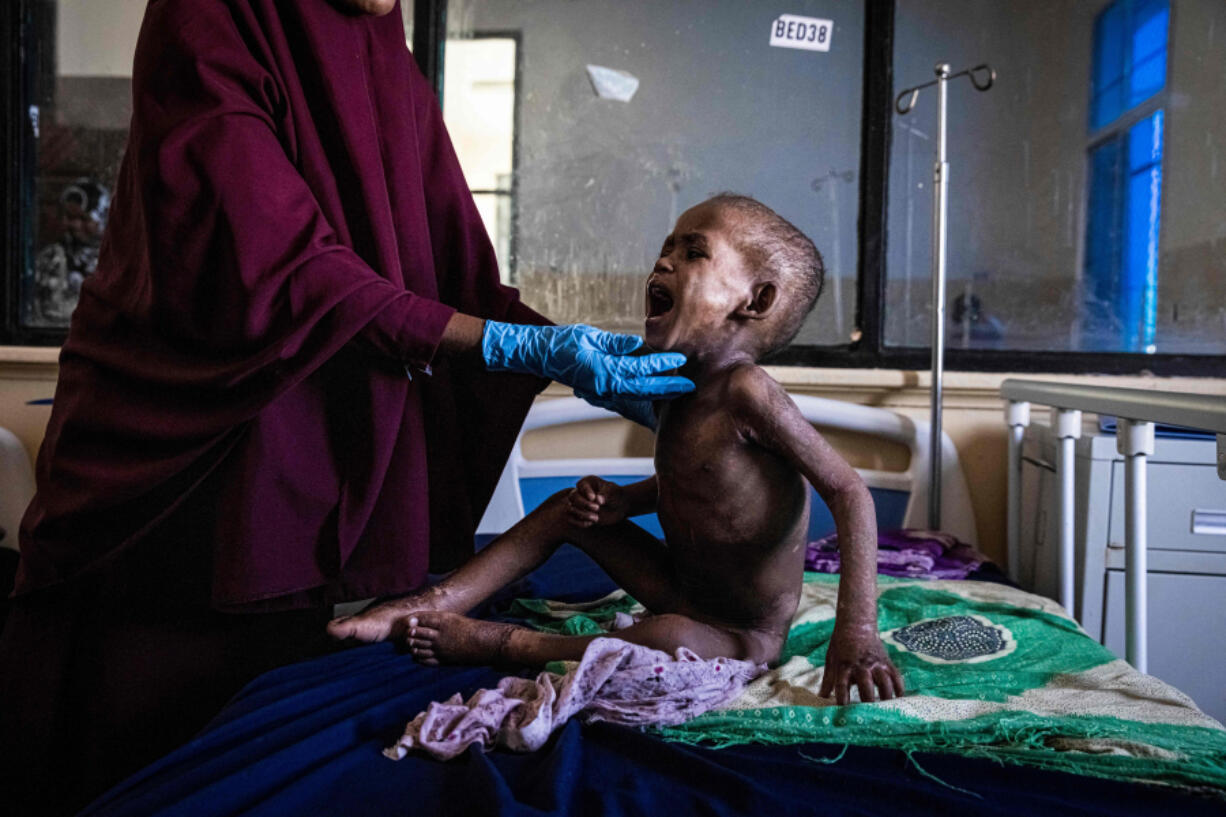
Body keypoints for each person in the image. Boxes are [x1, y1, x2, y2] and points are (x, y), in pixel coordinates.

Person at [0, 1, 690, 814]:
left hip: (310, 452)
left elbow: (448, 267)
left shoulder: (377, 39)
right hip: (186, 454)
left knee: (275, 734)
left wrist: (578, 360)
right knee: (143, 741)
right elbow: (281, 267)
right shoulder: (209, 16)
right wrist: (522, 350)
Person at [329, 194, 905, 706]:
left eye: (693, 252)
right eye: (665, 248)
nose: (663, 261)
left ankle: (506, 643)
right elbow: (702, 479)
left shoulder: (748, 391)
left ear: (755, 301)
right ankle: (433, 600)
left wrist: (857, 629)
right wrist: (626, 505)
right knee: (564, 508)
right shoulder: (677, 387)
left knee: (669, 641)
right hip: (678, 586)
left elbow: (849, 491)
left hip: (737, 629)